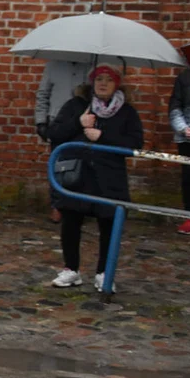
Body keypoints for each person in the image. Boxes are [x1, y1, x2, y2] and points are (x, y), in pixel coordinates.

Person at [47, 64, 143, 290]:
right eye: (98, 79)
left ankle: (103, 272)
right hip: (78, 175)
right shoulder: (77, 106)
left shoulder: (127, 112)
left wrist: (103, 135)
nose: (103, 84)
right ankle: (71, 269)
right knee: (71, 222)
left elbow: (135, 143)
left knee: (109, 224)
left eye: (108, 80)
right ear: (92, 82)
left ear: (116, 85)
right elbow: (54, 134)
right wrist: (78, 123)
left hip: (109, 178)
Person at [35, 60, 91, 223]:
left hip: (83, 120)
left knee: (82, 166)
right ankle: (57, 206)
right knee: (58, 165)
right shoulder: (54, 65)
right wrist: (40, 122)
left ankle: (80, 204)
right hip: (58, 121)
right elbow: (43, 94)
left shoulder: (91, 64)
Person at [169, 63, 190, 235]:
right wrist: (183, 129)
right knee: (188, 177)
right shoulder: (183, 78)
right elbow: (175, 106)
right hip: (186, 138)